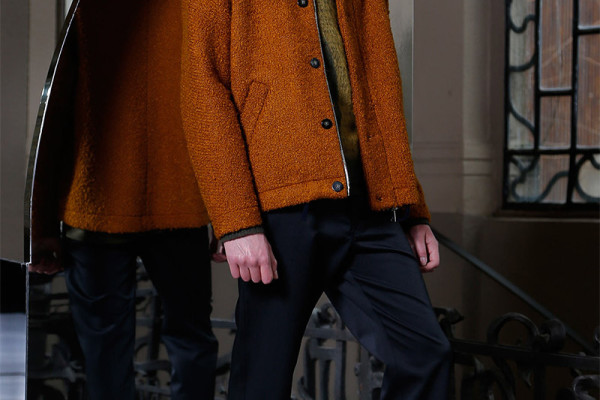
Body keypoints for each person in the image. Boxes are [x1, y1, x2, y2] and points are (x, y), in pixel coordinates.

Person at [181, 0, 452, 399]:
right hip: (281, 210)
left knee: (425, 355)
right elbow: (203, 87)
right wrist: (236, 222)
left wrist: (412, 207)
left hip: (370, 207)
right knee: (262, 382)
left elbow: (382, 86)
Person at [28, 1, 217, 399]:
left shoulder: (84, 8)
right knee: (190, 343)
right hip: (168, 200)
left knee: (107, 357)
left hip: (103, 202)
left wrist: (39, 224)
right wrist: (232, 217)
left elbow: (51, 113)